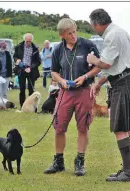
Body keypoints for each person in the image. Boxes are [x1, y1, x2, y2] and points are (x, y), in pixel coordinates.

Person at [87, 9, 130, 182]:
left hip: (124, 83)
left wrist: (92, 59)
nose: (93, 28)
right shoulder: (120, 31)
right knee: (128, 127)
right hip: (129, 78)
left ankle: (128, 173)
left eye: (92, 25)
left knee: (120, 126)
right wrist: (98, 83)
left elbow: (105, 63)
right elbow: (117, 65)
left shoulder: (112, 35)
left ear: (96, 23)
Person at [44, 18, 101, 176]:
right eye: (69, 33)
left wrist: (85, 76)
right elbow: (54, 71)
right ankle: (58, 161)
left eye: (74, 31)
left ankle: (80, 162)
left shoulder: (88, 45)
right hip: (65, 93)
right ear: (62, 35)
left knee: (83, 127)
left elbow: (99, 66)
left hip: (84, 91)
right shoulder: (57, 49)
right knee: (59, 127)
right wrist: (61, 81)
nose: (73, 35)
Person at [13, 33, 41, 108]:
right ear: (24, 40)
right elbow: (15, 56)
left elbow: (38, 61)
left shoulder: (35, 48)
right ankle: (22, 106)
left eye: (30, 41)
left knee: (31, 90)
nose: (28, 43)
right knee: (22, 89)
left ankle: (32, 106)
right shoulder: (18, 47)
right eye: (27, 41)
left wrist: (31, 68)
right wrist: (17, 60)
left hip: (31, 70)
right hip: (21, 70)